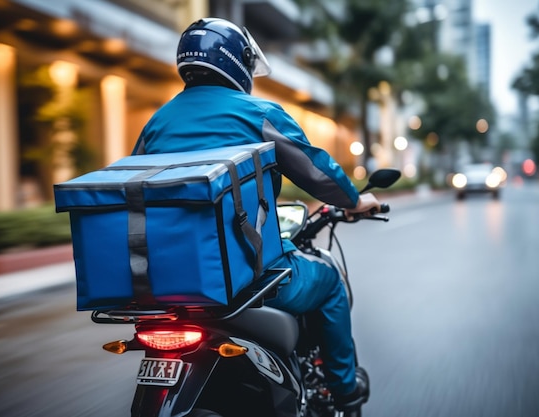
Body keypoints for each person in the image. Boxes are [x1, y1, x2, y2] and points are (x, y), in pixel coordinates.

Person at [132, 17, 380, 416]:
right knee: (330, 282)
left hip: (167, 281)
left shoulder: (156, 123)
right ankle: (344, 390)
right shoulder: (258, 113)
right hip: (248, 277)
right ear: (237, 63)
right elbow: (317, 171)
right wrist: (354, 201)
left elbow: (136, 190)